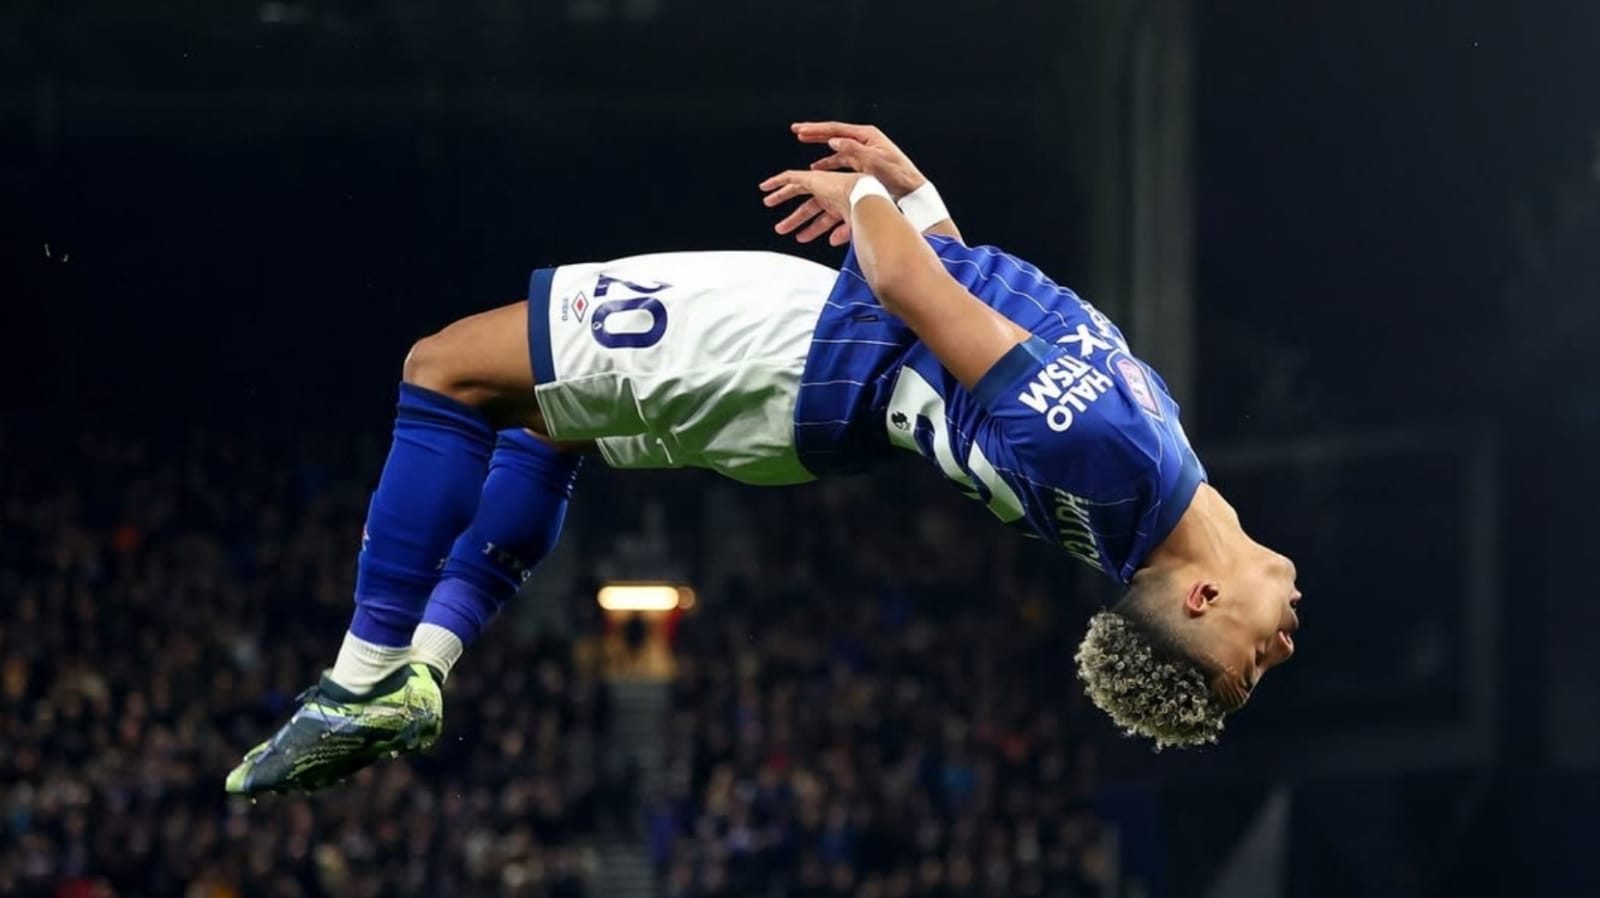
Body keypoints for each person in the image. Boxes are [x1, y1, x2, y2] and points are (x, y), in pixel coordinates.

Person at [225, 121, 1301, 795]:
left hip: (795, 350)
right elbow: (971, 321)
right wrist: (914, 196)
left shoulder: (1112, 456)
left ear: (1200, 598)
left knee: (444, 367)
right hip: (814, 390)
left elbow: (913, 292)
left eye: (1247, 662)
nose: (1278, 651)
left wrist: (871, 205)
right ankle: (426, 664)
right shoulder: (1140, 488)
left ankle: (363, 678)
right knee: (542, 419)